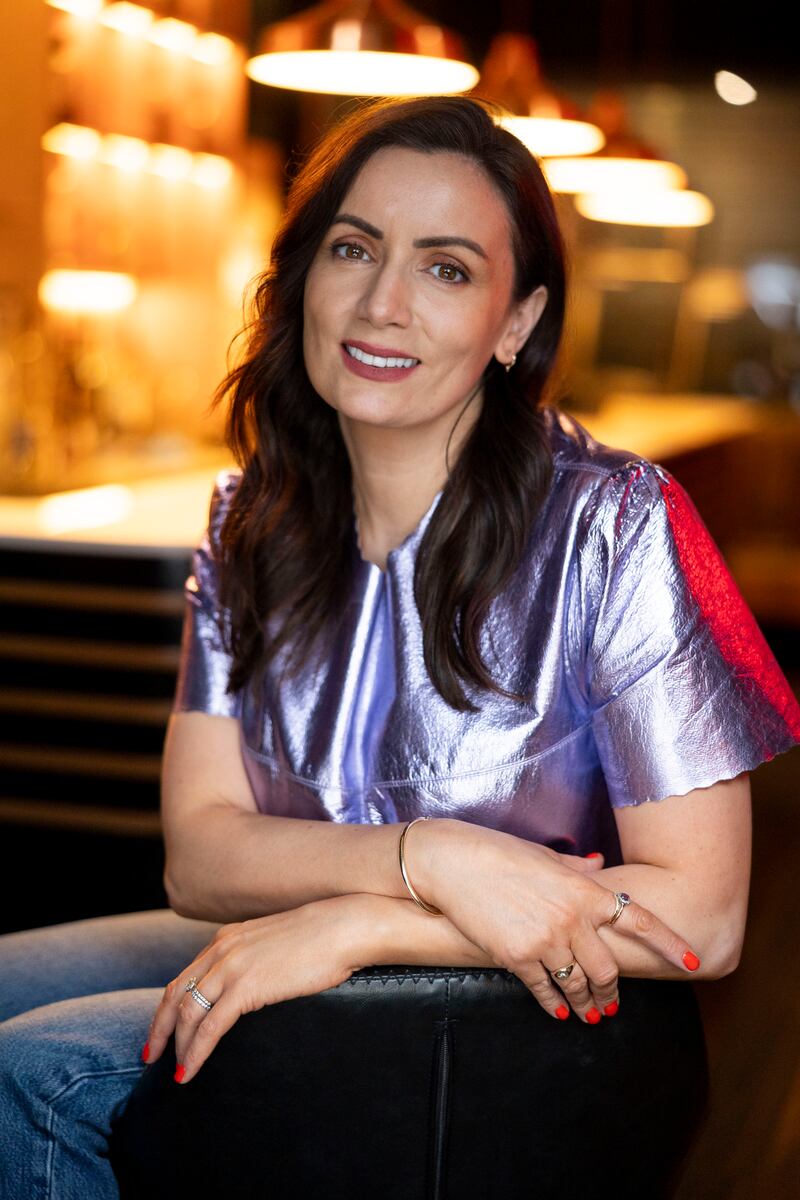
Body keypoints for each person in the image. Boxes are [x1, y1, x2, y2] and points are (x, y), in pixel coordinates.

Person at [1, 94, 799, 1199]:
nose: (380, 305)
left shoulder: (612, 524)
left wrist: (365, 923)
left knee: (29, 1070)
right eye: (352, 248)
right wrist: (430, 855)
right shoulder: (251, 520)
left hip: (518, 1011)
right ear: (302, 277)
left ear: (513, 326)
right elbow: (199, 854)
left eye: (446, 269)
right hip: (303, 938)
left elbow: (701, 923)